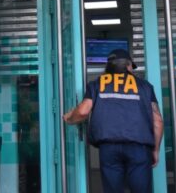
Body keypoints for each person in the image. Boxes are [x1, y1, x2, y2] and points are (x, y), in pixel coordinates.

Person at [63, 48, 164, 193]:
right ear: (128, 66)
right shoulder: (144, 86)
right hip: (139, 148)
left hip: (109, 148)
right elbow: (158, 121)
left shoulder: (97, 84)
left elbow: (83, 111)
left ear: (109, 66)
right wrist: (155, 149)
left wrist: (69, 118)